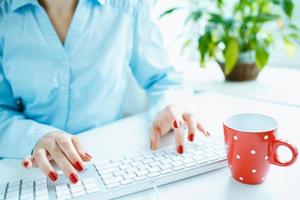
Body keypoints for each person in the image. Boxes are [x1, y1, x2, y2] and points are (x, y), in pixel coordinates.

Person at [0, 0, 209, 184]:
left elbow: (162, 79)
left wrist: (169, 105)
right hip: (28, 168)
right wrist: (37, 137)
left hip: (109, 162)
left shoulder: (129, 5)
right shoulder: (4, 15)